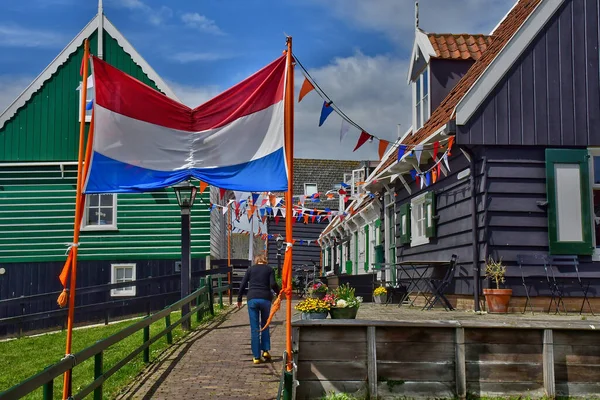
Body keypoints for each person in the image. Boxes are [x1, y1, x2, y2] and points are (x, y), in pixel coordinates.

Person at [237, 253, 280, 364]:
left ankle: (256, 357)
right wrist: (279, 293)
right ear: (265, 260)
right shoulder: (269, 269)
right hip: (265, 299)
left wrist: (239, 299)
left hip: (252, 299)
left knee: (254, 328)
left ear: (256, 261)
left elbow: (242, 284)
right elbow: (273, 283)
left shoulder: (250, 269)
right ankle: (265, 350)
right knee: (265, 325)